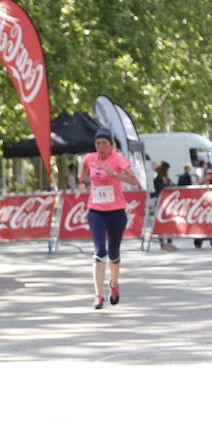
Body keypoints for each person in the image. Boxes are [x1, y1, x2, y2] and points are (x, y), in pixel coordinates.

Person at [80, 128, 141, 308]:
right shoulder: (90, 158)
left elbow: (133, 180)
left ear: (111, 145)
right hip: (96, 211)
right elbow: (84, 168)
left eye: (104, 143)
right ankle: (98, 295)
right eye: (98, 143)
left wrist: (115, 175)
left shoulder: (118, 159)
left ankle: (114, 284)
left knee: (114, 252)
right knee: (99, 252)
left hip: (116, 212)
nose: (101, 147)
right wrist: (82, 182)